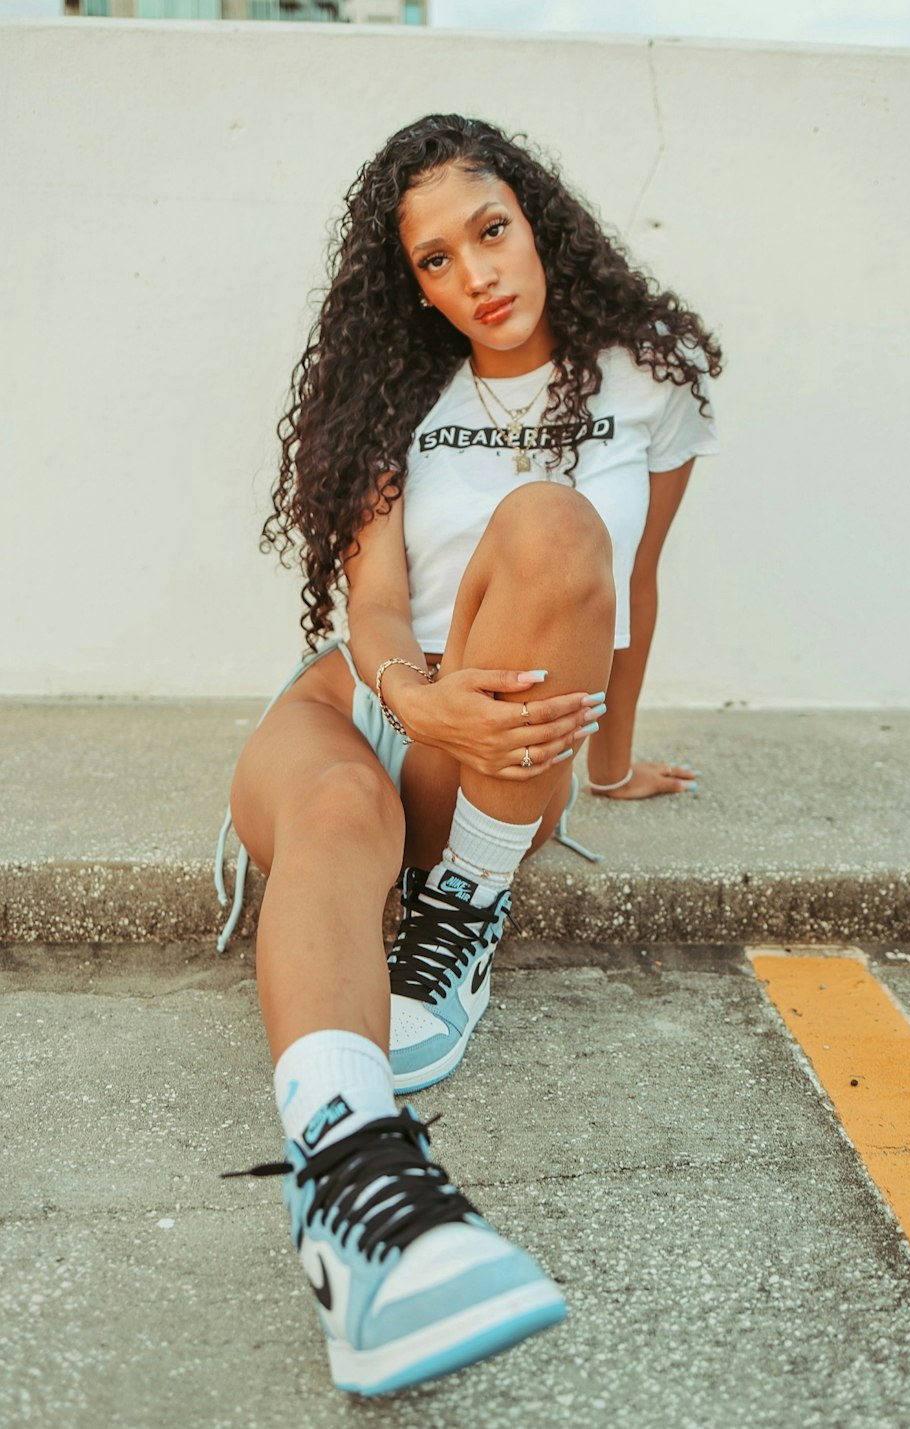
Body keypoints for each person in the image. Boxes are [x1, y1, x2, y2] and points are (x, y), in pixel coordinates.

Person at [219, 113, 721, 1397]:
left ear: (534, 219)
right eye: (434, 261)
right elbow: (374, 604)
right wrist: (411, 699)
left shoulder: (644, 380)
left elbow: (633, 585)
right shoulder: (394, 390)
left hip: (503, 740)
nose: (474, 275)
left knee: (555, 526)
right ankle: (356, 1197)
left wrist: (603, 760)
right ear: (412, 285)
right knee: (333, 800)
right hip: (370, 696)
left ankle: (461, 908)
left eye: (488, 232)